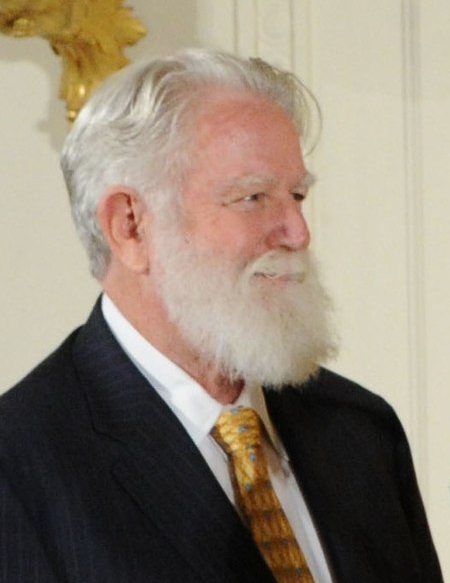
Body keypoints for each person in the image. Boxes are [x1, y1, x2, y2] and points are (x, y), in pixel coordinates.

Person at [0, 48, 442, 583]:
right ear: (131, 226)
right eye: (254, 197)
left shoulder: (361, 431)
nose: (298, 233)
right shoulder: (18, 467)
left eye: (297, 195)